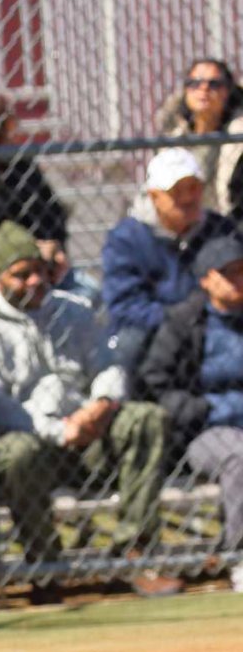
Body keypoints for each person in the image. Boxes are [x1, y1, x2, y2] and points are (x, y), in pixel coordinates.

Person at [0, 222, 182, 600]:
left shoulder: (74, 310)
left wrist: (101, 405)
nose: (36, 281)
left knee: (145, 419)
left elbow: (108, 365)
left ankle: (133, 557)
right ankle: (46, 569)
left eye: (41, 270)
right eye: (21, 275)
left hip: (87, 432)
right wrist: (58, 430)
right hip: (31, 441)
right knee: (18, 450)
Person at [138, 235, 243, 593]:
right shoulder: (185, 322)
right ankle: (241, 558)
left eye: (242, 271)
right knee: (240, 458)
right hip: (206, 429)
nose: (238, 280)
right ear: (206, 279)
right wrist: (200, 409)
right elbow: (155, 380)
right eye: (228, 273)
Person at [101, 147, 237, 372]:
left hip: (219, 322)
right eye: (176, 191)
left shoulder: (221, 229)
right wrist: (181, 320)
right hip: (158, 328)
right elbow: (125, 306)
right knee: (128, 343)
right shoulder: (127, 239)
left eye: (193, 187)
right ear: (154, 196)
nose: (187, 198)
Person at [0, 92, 68, 265]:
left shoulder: (21, 167)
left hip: (35, 263)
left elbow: (53, 220)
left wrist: (53, 247)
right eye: (7, 121)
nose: (15, 126)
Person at [156, 58, 243, 223]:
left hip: (228, 223)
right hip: (181, 222)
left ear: (228, 91)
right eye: (194, 83)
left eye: (214, 84)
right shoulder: (174, 136)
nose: (203, 89)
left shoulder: (238, 138)